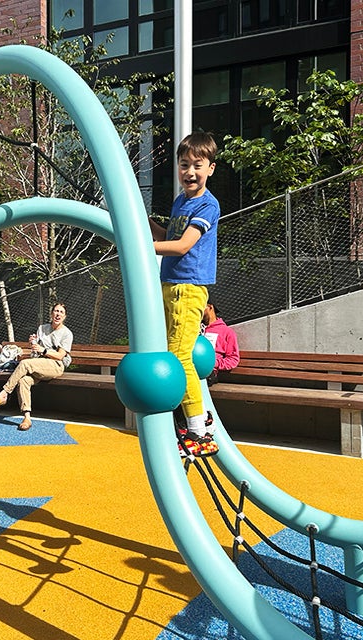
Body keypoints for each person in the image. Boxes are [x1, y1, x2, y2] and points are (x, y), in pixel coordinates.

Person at [149, 131, 221, 457]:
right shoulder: (181, 202)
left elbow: (181, 246)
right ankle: (189, 420)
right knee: (172, 351)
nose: (189, 172)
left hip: (188, 288)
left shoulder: (208, 204)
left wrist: (142, 246)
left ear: (211, 169)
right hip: (169, 285)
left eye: (197, 165)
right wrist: (147, 224)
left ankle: (199, 429)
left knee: (179, 357)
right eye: (183, 165)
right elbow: (170, 235)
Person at [0, 302, 73, 431]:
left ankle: (4, 394)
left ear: (64, 316)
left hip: (55, 365)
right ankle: (27, 417)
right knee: (23, 380)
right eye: (56, 311)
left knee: (25, 363)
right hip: (38, 363)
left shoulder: (66, 333)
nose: (58, 314)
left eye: (61, 312)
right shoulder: (42, 328)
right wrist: (33, 342)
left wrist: (43, 350)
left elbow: (60, 356)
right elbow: (35, 349)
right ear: (51, 313)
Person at [202, 302, 240, 378]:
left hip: (208, 373)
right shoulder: (193, 329)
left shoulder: (226, 332)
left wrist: (213, 363)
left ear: (210, 307)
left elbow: (233, 359)